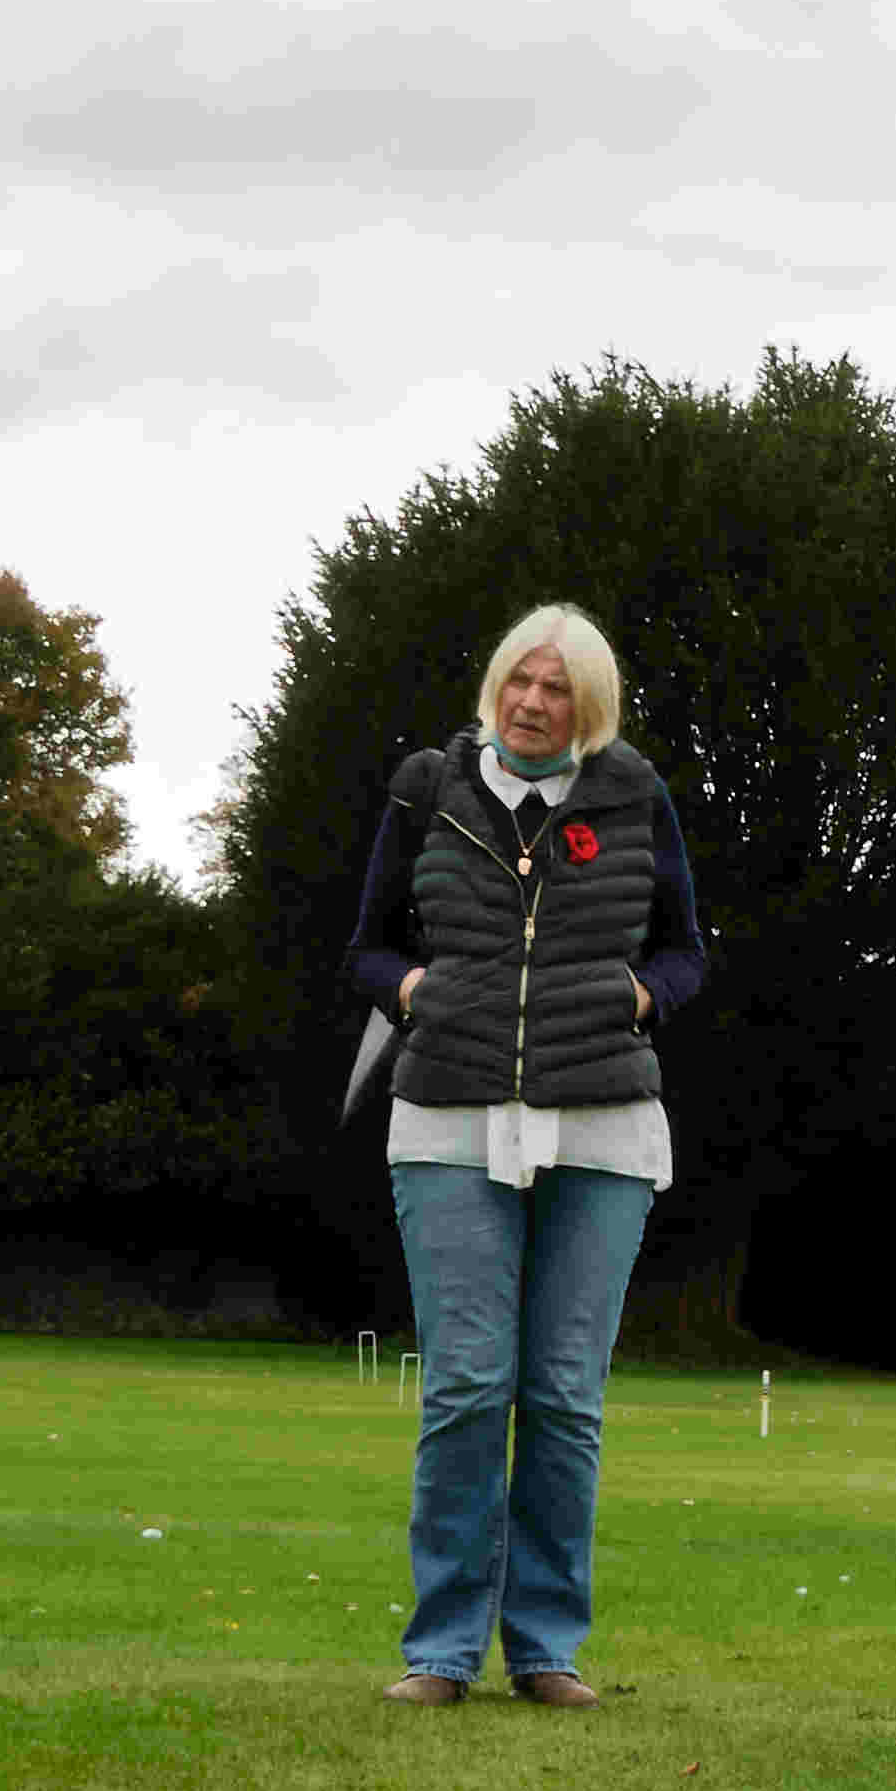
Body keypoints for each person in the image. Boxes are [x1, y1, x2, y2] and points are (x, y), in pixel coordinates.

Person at [345, 604, 707, 1708]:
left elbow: (687, 949)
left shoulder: (636, 796)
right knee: (465, 1384)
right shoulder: (426, 790)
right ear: (497, 686)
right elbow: (367, 944)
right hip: (447, 1116)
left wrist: (641, 994)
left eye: (557, 686)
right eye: (520, 679)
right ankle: (442, 1651)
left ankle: (545, 1646)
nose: (533, 700)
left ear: (587, 705)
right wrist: (414, 990)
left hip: (601, 1124)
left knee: (561, 1395)